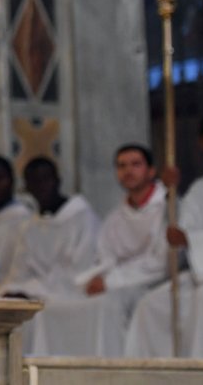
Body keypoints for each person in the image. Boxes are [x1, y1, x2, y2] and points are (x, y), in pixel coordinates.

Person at [19, 145, 168, 356]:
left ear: (151, 170)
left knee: (107, 306)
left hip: (154, 285)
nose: (128, 171)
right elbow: (105, 259)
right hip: (119, 284)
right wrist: (96, 279)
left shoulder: (167, 208)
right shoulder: (115, 217)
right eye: (122, 166)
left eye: (136, 164)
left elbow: (160, 263)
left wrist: (109, 281)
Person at [125, 111, 203, 358]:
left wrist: (191, 240)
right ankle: (153, 376)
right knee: (151, 304)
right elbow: (183, 227)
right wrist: (172, 194)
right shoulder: (199, 189)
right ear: (202, 143)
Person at [0, 156, 100, 302]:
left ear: (58, 181)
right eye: (33, 181)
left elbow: (81, 273)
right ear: (26, 187)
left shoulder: (83, 218)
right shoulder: (29, 227)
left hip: (74, 302)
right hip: (34, 300)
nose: (40, 186)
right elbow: (18, 272)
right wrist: (13, 289)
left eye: (45, 179)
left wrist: (31, 291)